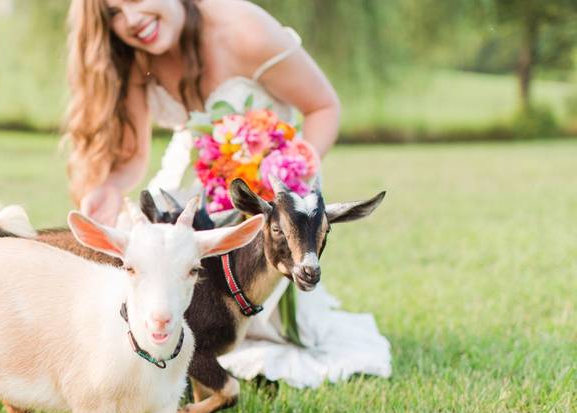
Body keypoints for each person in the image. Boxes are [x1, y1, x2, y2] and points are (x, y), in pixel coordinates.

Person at [64, 0, 391, 388]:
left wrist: (289, 173)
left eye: (135, 0)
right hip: (203, 184)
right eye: (114, 13)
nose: (131, 20)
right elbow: (135, 156)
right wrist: (111, 187)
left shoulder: (244, 30)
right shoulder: (136, 55)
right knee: (146, 239)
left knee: (263, 288)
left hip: (272, 192)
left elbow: (323, 106)